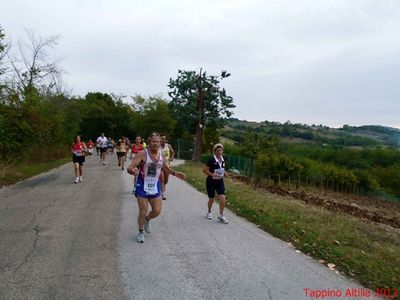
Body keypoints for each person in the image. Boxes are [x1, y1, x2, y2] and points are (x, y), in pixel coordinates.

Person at [127, 132, 186, 243]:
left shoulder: (161, 155)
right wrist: (132, 171)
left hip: (155, 185)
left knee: (157, 211)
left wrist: (175, 173)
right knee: (143, 211)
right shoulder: (142, 154)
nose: (155, 143)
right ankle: (140, 232)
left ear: (160, 143)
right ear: (149, 142)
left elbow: (164, 167)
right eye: (153, 141)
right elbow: (130, 168)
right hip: (142, 185)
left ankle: (147, 220)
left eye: (157, 141)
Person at [202, 143, 229, 224]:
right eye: (218, 151)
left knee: (222, 196)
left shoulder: (223, 159)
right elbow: (205, 170)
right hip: (211, 181)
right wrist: (213, 174)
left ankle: (221, 215)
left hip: (220, 181)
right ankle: (209, 212)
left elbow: (222, 169)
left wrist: (225, 173)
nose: (220, 152)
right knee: (211, 199)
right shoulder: (211, 160)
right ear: (214, 151)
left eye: (221, 150)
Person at [160, 135, 175, 200]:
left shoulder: (168, 146)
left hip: (167, 165)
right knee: (162, 179)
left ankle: (162, 188)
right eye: (162, 139)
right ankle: (162, 193)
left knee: (166, 180)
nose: (163, 140)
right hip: (159, 165)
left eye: (164, 139)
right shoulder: (158, 145)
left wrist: (172, 157)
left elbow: (172, 152)